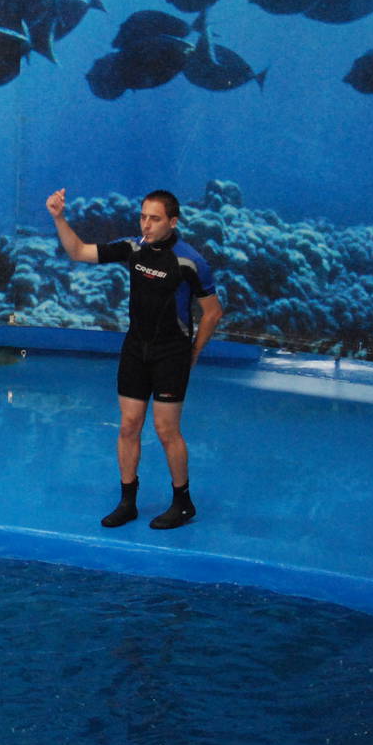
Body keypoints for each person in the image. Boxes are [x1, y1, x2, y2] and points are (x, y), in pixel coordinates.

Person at [45, 187, 224, 529]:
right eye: (143, 216)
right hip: (135, 349)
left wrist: (193, 353)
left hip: (171, 353)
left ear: (173, 221)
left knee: (166, 429)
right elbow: (78, 251)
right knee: (128, 425)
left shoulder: (191, 261)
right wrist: (59, 218)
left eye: (155, 219)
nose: (146, 224)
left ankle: (183, 503)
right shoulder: (132, 248)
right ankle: (128, 502)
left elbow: (213, 312)